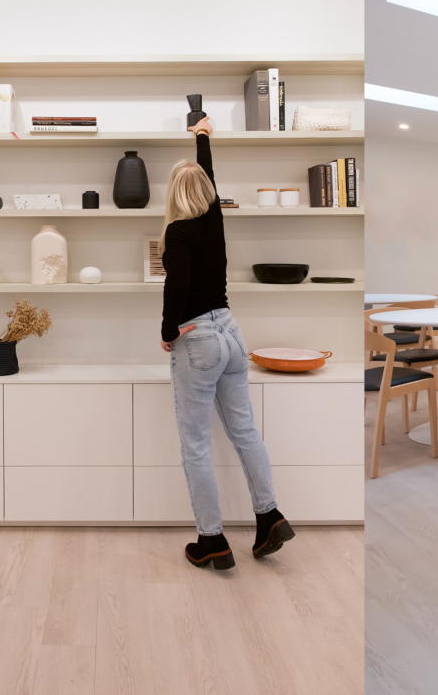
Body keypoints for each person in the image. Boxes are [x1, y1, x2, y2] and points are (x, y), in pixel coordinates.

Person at [160, 117, 293, 570]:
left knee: (195, 444)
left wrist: (166, 331)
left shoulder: (177, 232)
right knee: (245, 431)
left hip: (196, 339)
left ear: (174, 194)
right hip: (232, 333)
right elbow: (209, 179)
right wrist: (203, 137)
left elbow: (175, 284)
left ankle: (211, 540)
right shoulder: (214, 219)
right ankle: (268, 515)